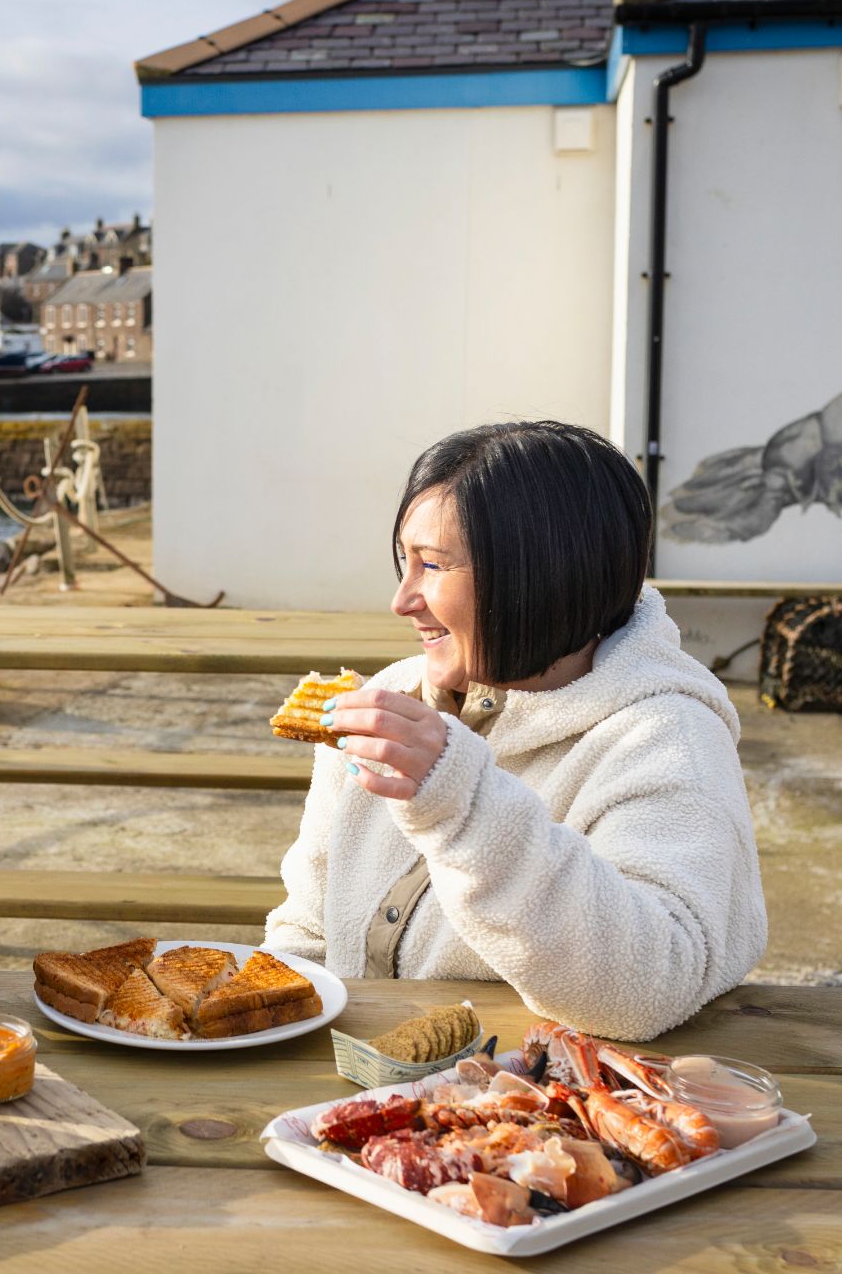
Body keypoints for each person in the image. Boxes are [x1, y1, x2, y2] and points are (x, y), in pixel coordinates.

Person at [263, 421, 766, 1040]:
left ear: (539, 574)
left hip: (524, 1113)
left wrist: (461, 803)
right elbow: (308, 929)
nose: (402, 599)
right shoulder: (393, 701)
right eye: (405, 560)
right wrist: (272, 1029)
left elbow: (650, 983)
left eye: (433, 565)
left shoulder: (666, 737)